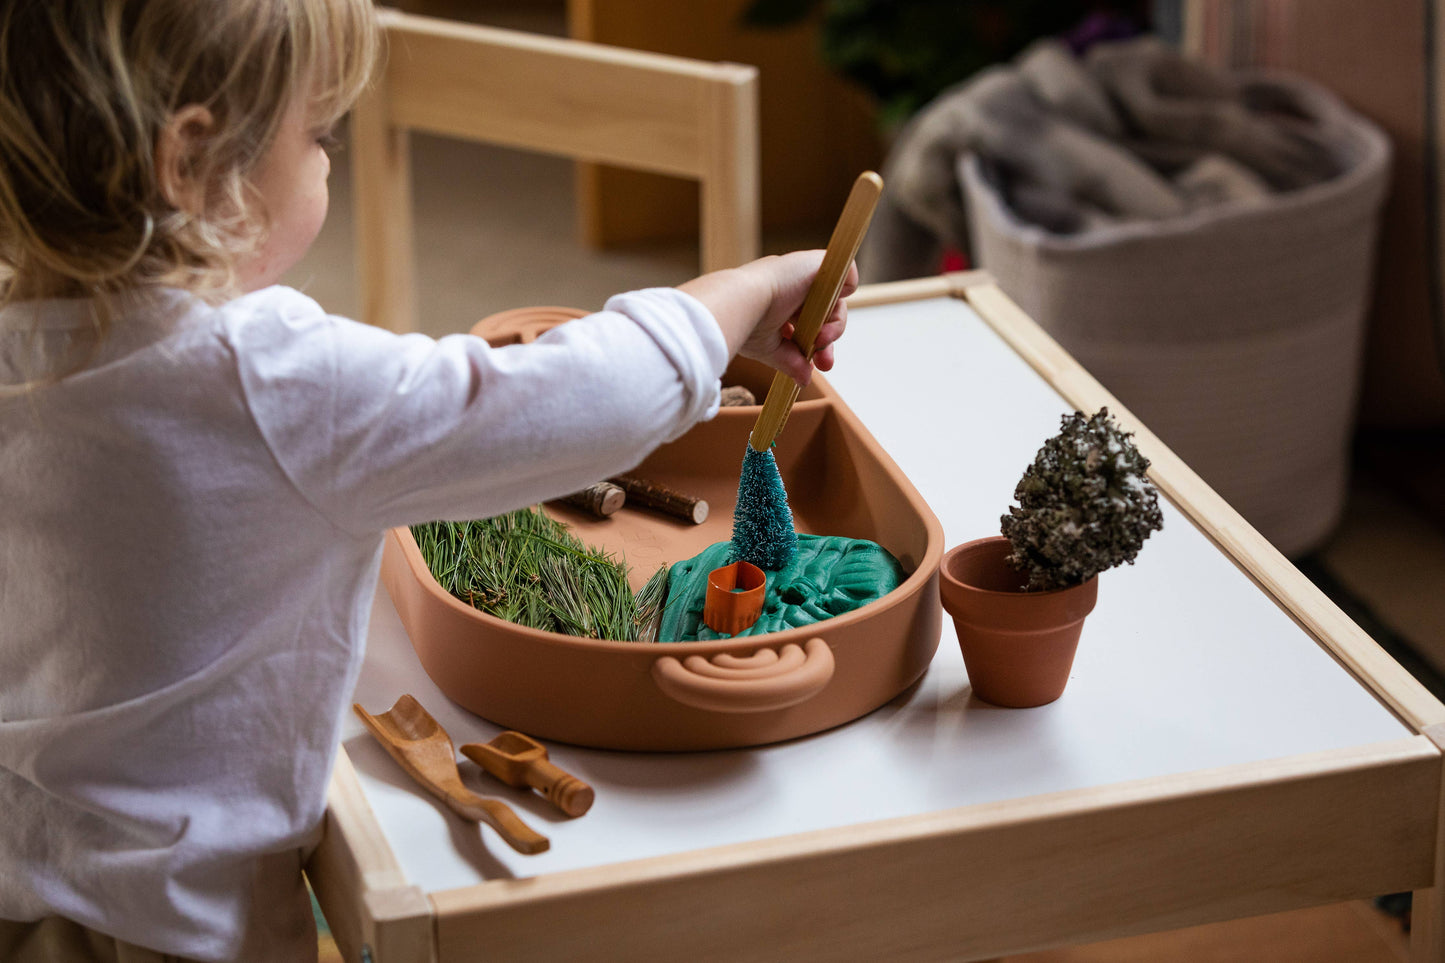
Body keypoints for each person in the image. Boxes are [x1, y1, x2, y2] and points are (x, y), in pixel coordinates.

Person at [0, 1, 855, 960]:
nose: (333, 157)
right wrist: (741, 290)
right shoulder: (266, 379)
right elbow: (588, 399)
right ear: (191, 165)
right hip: (182, 928)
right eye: (320, 135)